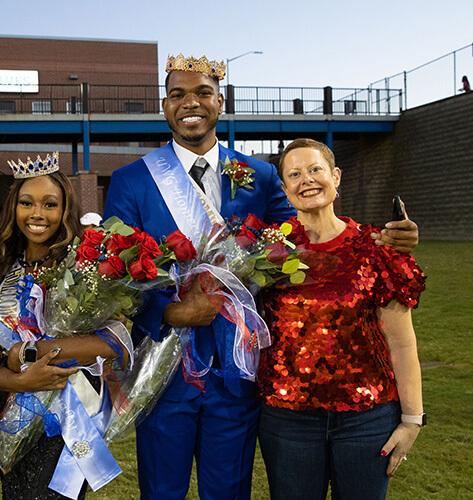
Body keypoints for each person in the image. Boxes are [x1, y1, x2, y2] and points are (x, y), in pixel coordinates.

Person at [102, 54, 420, 499]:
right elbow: (113, 272)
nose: (190, 102)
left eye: (202, 93)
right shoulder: (131, 180)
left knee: (229, 492)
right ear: (165, 104)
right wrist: (173, 311)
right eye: (178, 95)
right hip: (164, 371)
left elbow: (308, 233)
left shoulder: (259, 174)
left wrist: (380, 241)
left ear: (221, 101)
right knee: (162, 491)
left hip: (239, 371)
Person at [257, 138, 426, 500]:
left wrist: (412, 419)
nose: (307, 179)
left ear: (336, 177)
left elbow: (402, 341)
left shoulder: (375, 249)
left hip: (367, 419)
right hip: (288, 421)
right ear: (285, 191)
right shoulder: (267, 257)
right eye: (295, 174)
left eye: (315, 169)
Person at [0, 152, 126, 499]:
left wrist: (31, 351)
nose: (37, 214)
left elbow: (113, 342)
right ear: (13, 209)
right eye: (27, 203)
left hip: (70, 416)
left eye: (49, 204)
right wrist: (18, 380)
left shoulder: (86, 270)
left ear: (64, 211)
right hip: (13, 410)